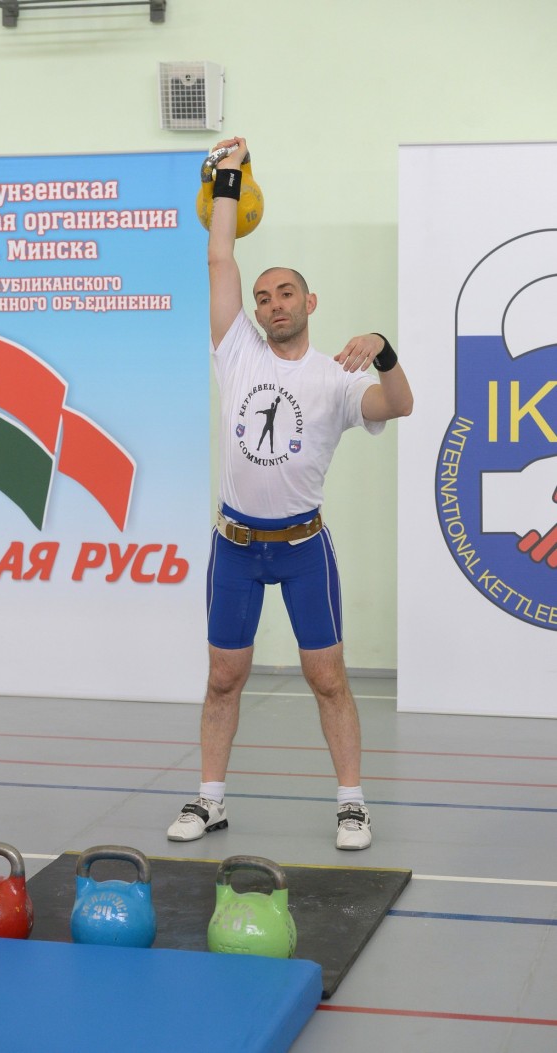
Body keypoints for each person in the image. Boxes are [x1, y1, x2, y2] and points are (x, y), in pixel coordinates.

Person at [167, 136, 413, 850]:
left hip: (305, 549)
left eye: (284, 294)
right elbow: (220, 257)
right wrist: (228, 178)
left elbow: (399, 405)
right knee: (223, 678)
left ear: (309, 302)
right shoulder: (236, 351)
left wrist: (384, 349)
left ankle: (352, 804)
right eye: (263, 297)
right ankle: (210, 800)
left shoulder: (337, 377)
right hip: (235, 547)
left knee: (328, 678)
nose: (272, 304)